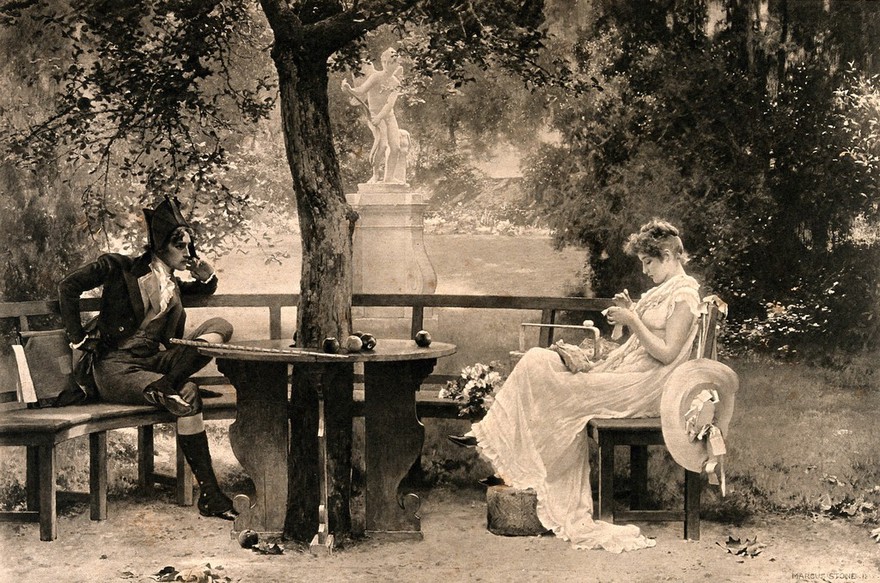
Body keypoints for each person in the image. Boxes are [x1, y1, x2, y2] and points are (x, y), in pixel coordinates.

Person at [449, 219, 703, 552]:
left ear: (669, 255)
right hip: (628, 373)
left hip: (648, 387)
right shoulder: (662, 291)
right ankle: (494, 434)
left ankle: (501, 444)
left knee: (556, 387)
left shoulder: (684, 295)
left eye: (648, 262)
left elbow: (669, 355)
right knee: (537, 360)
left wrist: (634, 320)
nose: (644, 270)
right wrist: (630, 314)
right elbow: (645, 339)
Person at [58, 196, 237, 521]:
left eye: (189, 246)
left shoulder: (174, 285)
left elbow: (205, 289)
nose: (188, 253)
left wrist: (207, 276)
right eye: (180, 246)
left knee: (220, 326)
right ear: (160, 246)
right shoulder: (120, 267)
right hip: (115, 368)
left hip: (155, 363)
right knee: (188, 396)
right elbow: (68, 287)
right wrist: (77, 338)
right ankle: (213, 496)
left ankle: (167, 385)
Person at [341, 47, 406, 184]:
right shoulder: (376, 77)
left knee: (396, 148)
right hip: (374, 115)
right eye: (389, 62)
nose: (392, 65)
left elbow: (390, 104)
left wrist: (380, 117)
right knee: (382, 145)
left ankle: (388, 178)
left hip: (387, 115)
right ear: (385, 63)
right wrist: (348, 89)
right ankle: (375, 175)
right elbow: (361, 91)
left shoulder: (396, 83)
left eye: (395, 63)